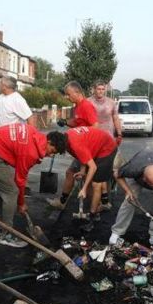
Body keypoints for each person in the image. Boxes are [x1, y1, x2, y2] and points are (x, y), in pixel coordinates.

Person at [0, 123, 66, 247]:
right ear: (49, 142)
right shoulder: (30, 152)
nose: (50, 155)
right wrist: (21, 203)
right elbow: (20, 179)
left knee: (3, 189)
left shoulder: (35, 136)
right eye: (52, 151)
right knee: (11, 191)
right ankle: (6, 235)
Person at [108, 149, 153, 250]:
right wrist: (128, 191)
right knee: (129, 201)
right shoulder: (133, 168)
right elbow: (117, 175)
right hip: (138, 174)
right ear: (144, 178)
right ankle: (117, 231)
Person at [46, 126, 118, 219]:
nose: (52, 154)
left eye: (54, 151)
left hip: (107, 149)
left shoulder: (75, 144)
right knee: (73, 173)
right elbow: (81, 155)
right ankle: (63, 202)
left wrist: (83, 189)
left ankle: (93, 215)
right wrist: (83, 171)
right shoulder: (67, 139)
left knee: (96, 184)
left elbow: (93, 167)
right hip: (94, 148)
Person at [49, 81, 99, 209]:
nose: (66, 97)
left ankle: (92, 209)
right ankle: (67, 203)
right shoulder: (77, 106)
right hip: (81, 146)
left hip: (87, 147)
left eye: (68, 94)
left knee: (83, 177)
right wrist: (65, 122)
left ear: (77, 92)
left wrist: (87, 144)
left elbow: (95, 127)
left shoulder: (86, 106)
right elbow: (77, 123)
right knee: (72, 173)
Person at [87, 80, 122, 212]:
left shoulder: (111, 103)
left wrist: (119, 134)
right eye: (98, 89)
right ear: (94, 89)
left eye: (102, 89)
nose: (100, 91)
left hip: (108, 141)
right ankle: (96, 201)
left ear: (105, 89)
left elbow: (116, 118)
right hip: (92, 141)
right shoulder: (88, 102)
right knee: (93, 171)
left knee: (105, 172)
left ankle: (104, 201)